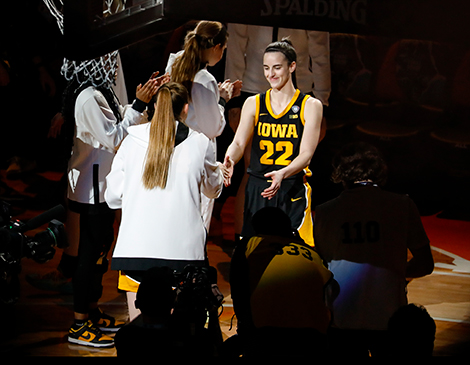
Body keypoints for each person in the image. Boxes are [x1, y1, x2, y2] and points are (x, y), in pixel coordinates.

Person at [63, 51, 164, 348]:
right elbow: (115, 136)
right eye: (106, 61)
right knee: (88, 254)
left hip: (101, 184)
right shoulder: (87, 97)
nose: (112, 66)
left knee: (98, 253)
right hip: (90, 187)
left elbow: (121, 118)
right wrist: (140, 104)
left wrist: (138, 102)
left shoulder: (99, 91)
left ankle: (91, 311)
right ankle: (79, 322)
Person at [105, 82, 225, 322]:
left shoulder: (130, 142)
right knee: (180, 336)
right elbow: (213, 191)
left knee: (142, 333)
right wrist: (220, 172)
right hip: (185, 257)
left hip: (135, 253)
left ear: (155, 106)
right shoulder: (201, 143)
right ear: (185, 109)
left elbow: (113, 198)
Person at [313, 141, 435, 357]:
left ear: (340, 173)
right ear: (379, 170)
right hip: (390, 317)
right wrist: (394, 272)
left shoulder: (324, 212)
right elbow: (425, 264)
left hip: (341, 316)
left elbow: (323, 264)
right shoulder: (402, 205)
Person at [212, 24, 331, 242]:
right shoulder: (253, 103)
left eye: (276, 68)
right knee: (251, 256)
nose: (270, 74)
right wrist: (229, 159)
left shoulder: (310, 105)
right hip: (259, 186)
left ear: (292, 66)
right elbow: (238, 143)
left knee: (293, 257)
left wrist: (283, 173)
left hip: (291, 186)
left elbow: (306, 154)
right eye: (266, 68)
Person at [228, 207, 337, 359]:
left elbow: (238, 289)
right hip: (313, 335)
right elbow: (332, 288)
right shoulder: (309, 251)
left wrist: (246, 331)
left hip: (266, 333)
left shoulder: (251, 244)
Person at [164, 20, 242, 231]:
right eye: (223, 49)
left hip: (171, 150)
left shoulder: (176, 63)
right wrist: (222, 99)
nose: (222, 54)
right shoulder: (204, 79)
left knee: (172, 218)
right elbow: (213, 128)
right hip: (195, 157)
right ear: (216, 47)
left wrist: (213, 96)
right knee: (196, 223)